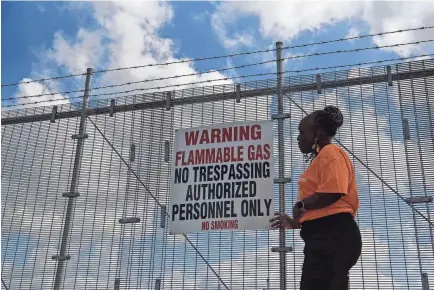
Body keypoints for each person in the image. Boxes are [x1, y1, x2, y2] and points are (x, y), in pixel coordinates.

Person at [270, 105, 362, 290]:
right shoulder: (320, 159)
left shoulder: (331, 153)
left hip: (333, 235)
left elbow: (333, 192)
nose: (298, 137)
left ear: (317, 133)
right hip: (323, 237)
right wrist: (294, 222)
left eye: (302, 132)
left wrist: (302, 204)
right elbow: (320, 208)